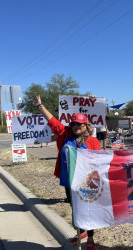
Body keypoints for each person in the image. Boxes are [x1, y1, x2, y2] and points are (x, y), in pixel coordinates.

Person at [34, 95, 100, 250]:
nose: (77, 126)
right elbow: (52, 121)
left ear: (86, 126)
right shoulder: (65, 134)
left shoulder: (93, 141)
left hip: (85, 182)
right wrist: (40, 106)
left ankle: (90, 238)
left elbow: (99, 161)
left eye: (80, 124)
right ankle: (80, 231)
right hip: (68, 180)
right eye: (74, 123)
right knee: (74, 207)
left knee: (87, 208)